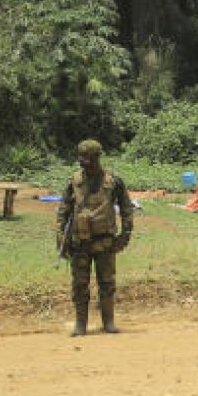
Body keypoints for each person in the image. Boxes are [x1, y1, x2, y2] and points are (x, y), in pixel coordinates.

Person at [56, 139, 134, 336]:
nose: (83, 163)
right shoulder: (74, 182)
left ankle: (108, 322)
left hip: (105, 242)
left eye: (88, 159)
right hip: (79, 243)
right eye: (81, 159)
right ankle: (80, 324)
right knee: (79, 284)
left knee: (107, 283)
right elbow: (63, 211)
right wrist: (60, 238)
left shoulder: (113, 181)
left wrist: (125, 234)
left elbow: (126, 208)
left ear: (97, 158)